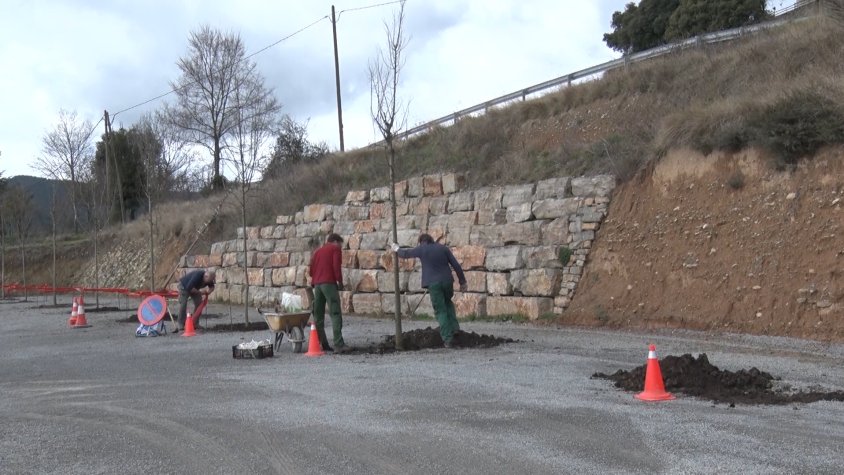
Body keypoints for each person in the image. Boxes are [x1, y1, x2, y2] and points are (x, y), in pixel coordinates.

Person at [391, 233, 467, 348]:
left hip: (434, 284)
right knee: (447, 303)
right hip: (447, 281)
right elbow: (456, 265)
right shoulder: (443, 248)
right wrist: (462, 282)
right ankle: (455, 329)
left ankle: (448, 338)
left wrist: (396, 248)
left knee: (440, 310)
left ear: (421, 241)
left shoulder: (422, 248)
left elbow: (406, 254)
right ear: (431, 240)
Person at [309, 233, 349, 353]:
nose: (341, 247)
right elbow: (336, 266)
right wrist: (340, 282)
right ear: (336, 241)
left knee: (318, 315)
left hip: (317, 285)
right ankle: (338, 344)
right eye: (340, 244)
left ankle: (322, 343)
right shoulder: (335, 249)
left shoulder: (317, 251)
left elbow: (311, 270)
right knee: (335, 312)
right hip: (329, 283)